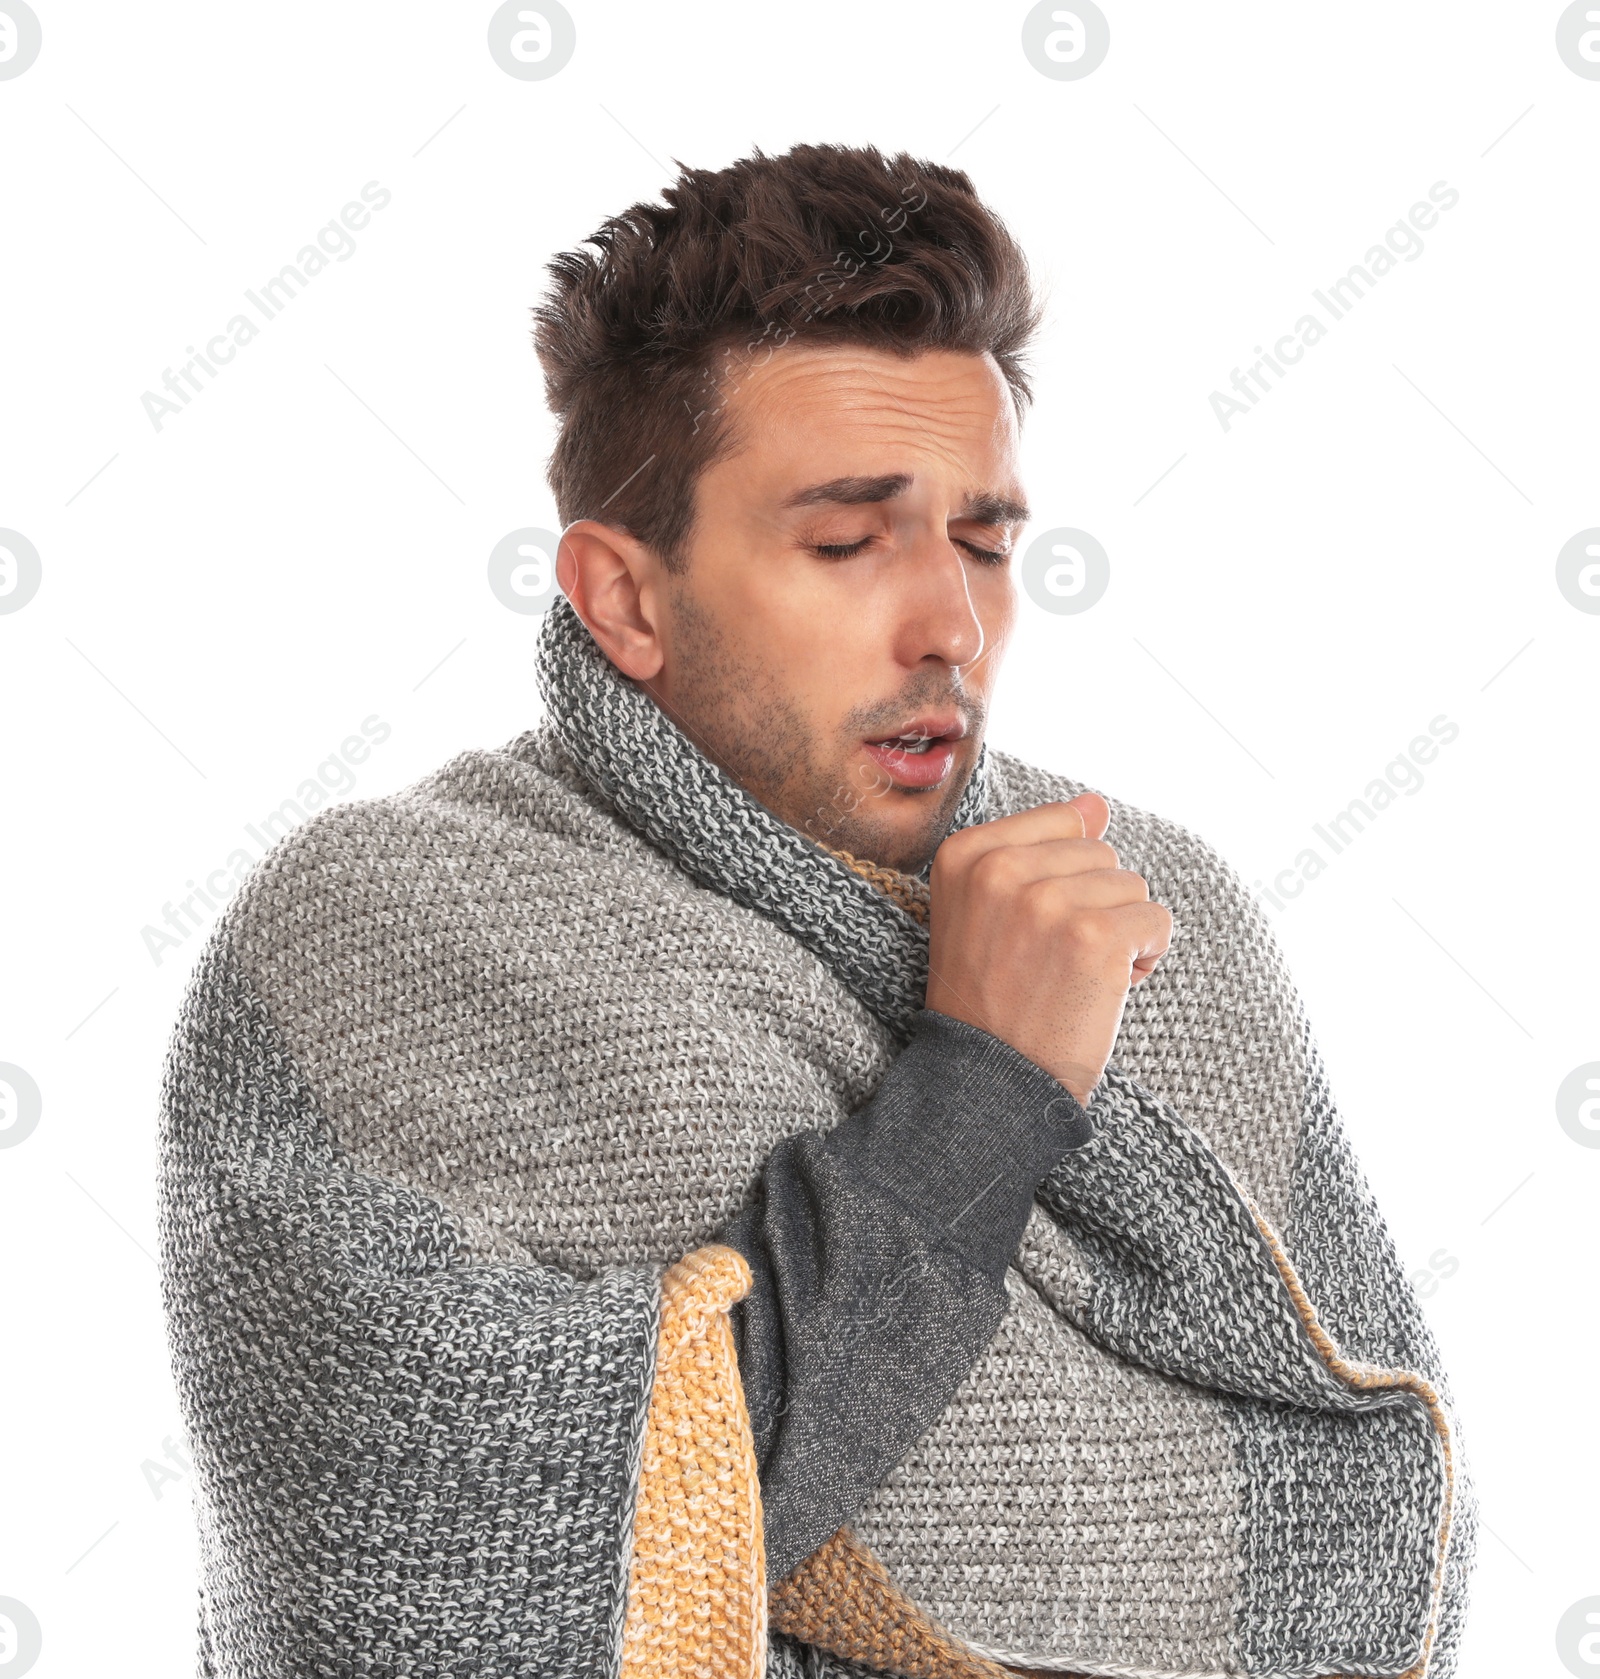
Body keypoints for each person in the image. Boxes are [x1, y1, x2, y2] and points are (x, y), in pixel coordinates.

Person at [157, 142, 1474, 1679]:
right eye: (847, 542)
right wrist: (987, 1088)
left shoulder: (1158, 913)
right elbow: (440, 1602)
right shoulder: (374, 937)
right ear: (626, 598)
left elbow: (1379, 1513)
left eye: (986, 538)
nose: (953, 625)